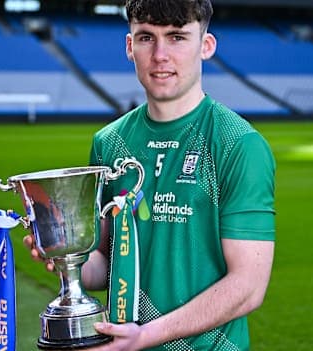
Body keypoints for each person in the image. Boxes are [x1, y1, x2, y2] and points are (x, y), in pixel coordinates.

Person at [23, 1, 276, 350]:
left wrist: (147, 336)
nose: (160, 54)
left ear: (206, 46)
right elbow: (107, 266)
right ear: (130, 47)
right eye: (146, 38)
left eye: (176, 37)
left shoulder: (239, 145)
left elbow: (248, 285)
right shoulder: (109, 143)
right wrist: (65, 254)